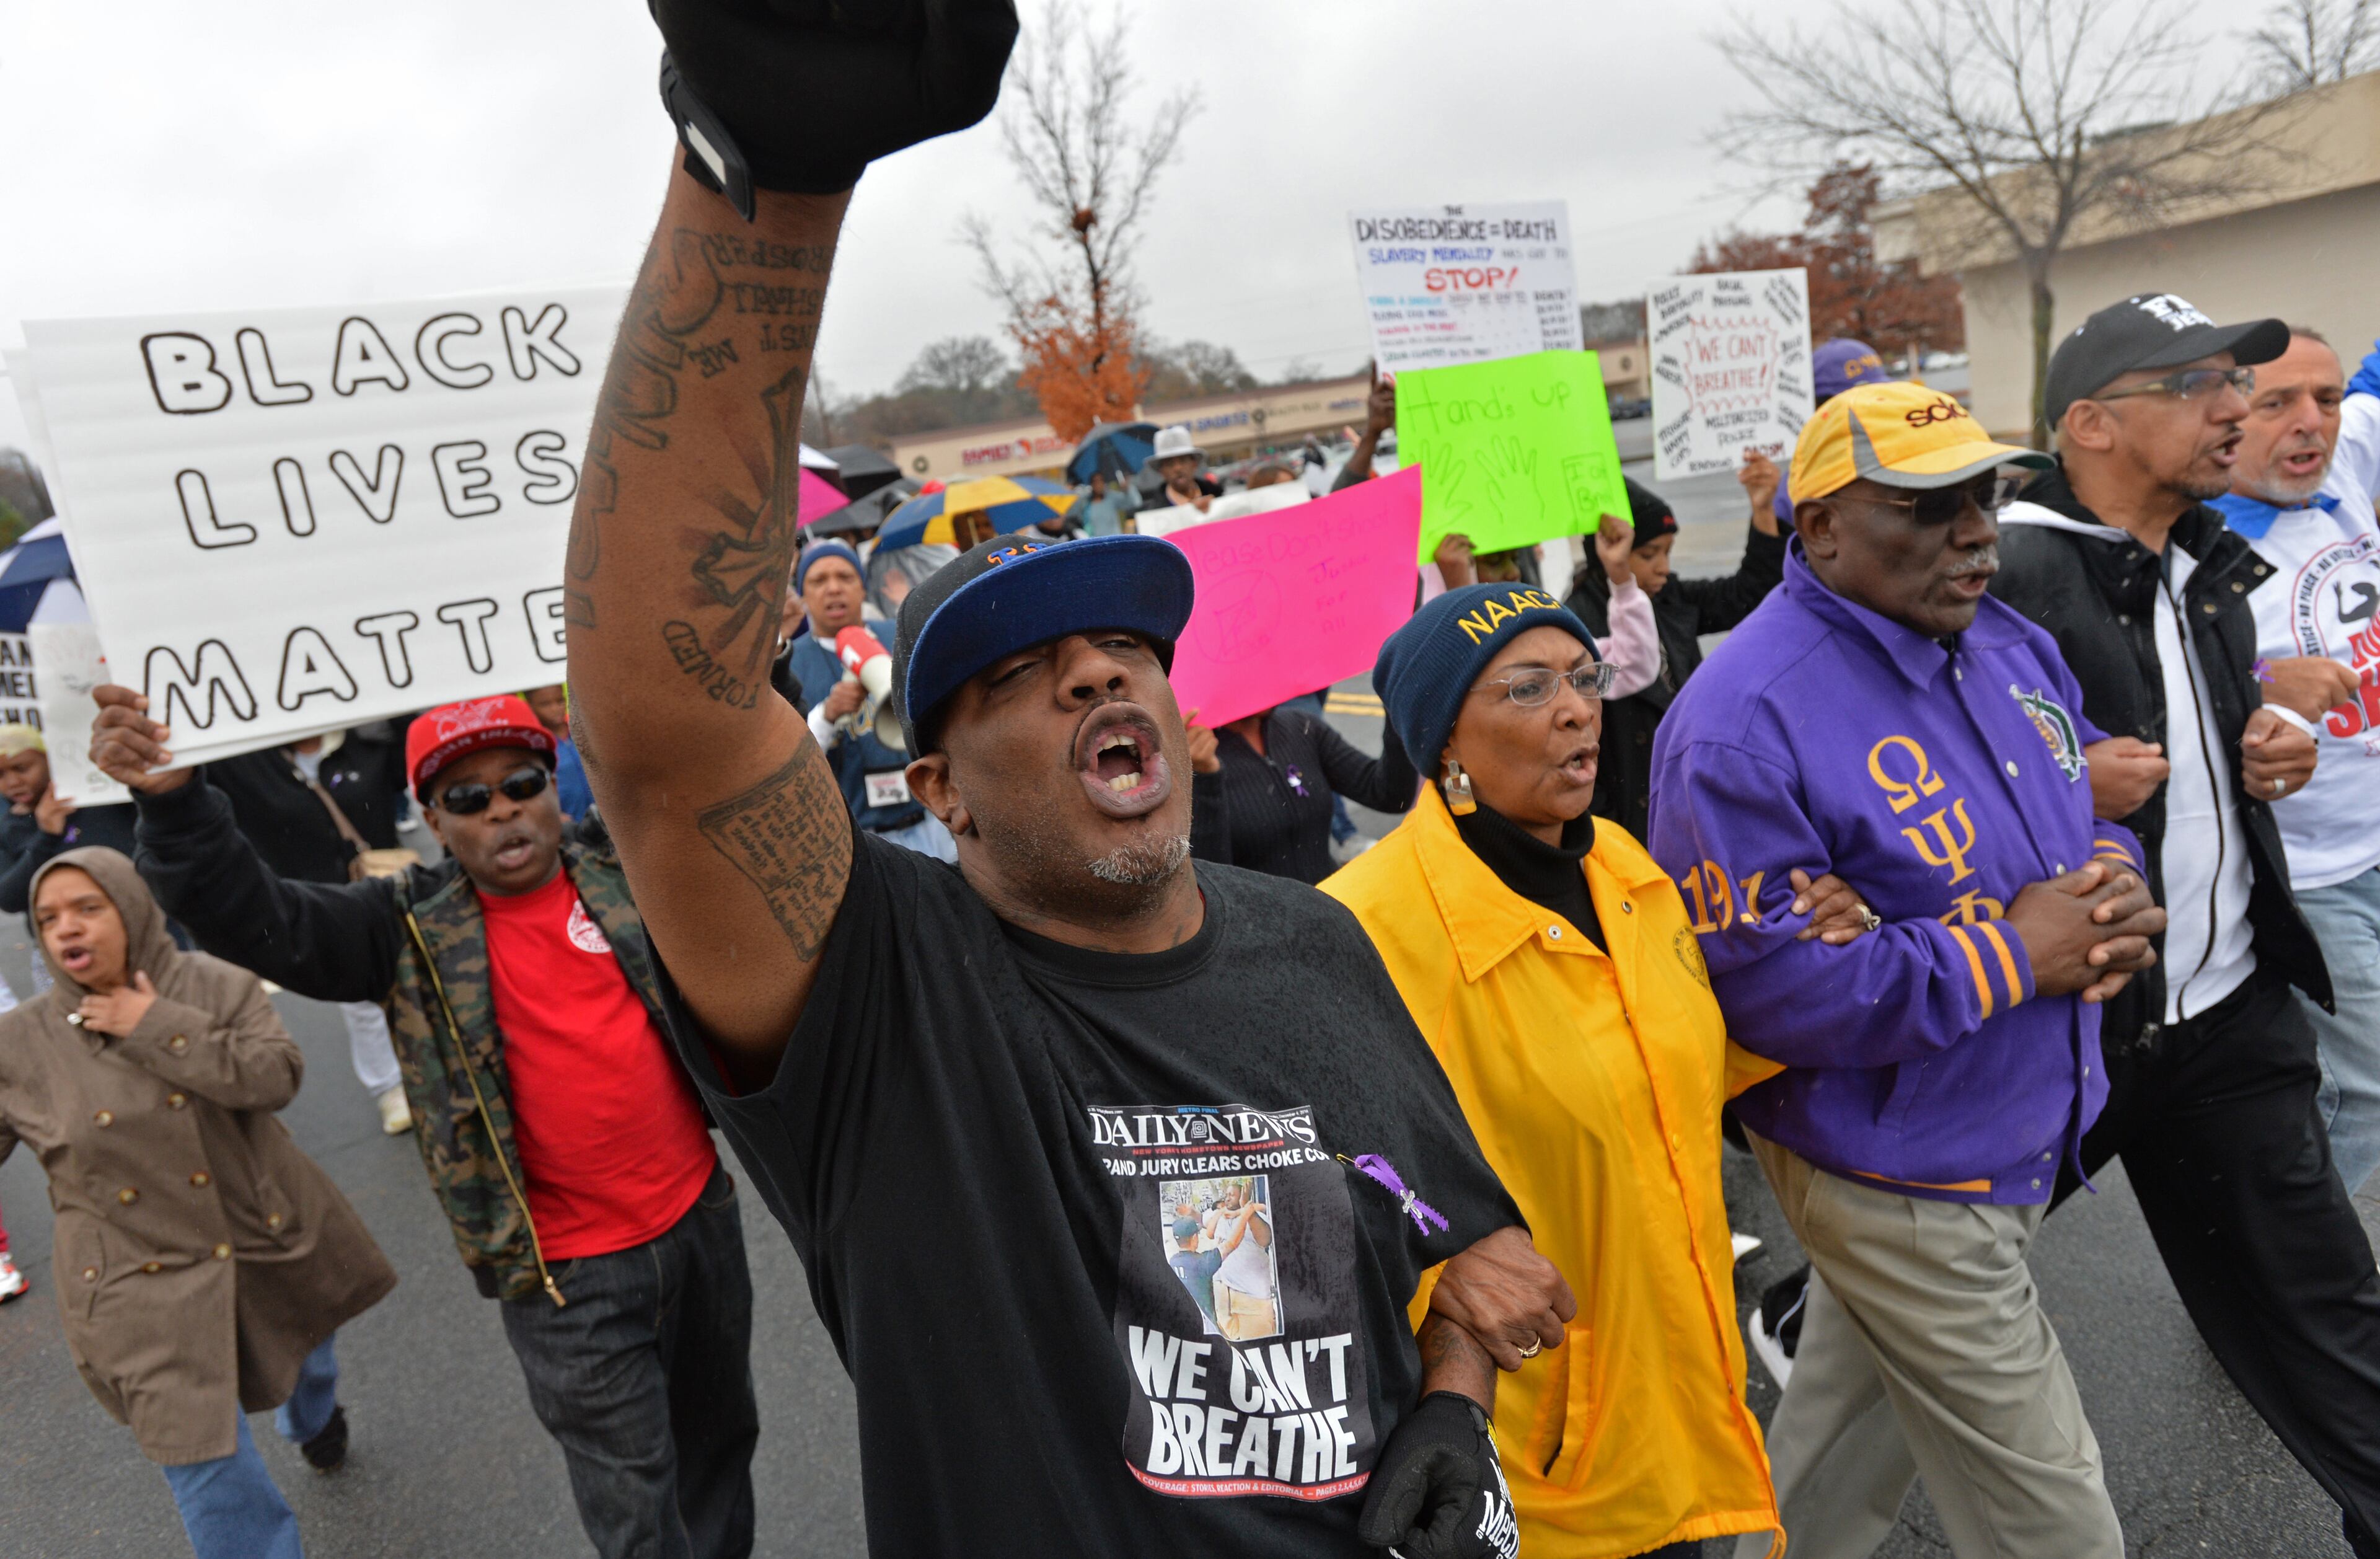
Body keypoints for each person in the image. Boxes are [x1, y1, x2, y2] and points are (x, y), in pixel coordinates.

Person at [563, 15, 1576, 1546]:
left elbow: (1457, 1253)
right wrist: (762, 174)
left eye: (1122, 648)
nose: (1096, 674)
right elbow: (670, 717)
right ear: (940, 790)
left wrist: (1447, 1399)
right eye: (1018, 678)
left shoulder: (1315, 945)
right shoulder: (892, 995)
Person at [1650, 380, 2164, 1559]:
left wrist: (2110, 877)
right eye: (1926, 508)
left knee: (1837, 1444)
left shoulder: (2004, 639)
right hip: (1894, 1166)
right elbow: (1771, 986)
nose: (1976, 529)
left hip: (2006, 1122)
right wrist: (2015, 951)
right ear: (1820, 524)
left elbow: (2073, 796)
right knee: (2056, 1516)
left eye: (1983, 494)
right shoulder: (1740, 723)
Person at [87, 692, 761, 1559]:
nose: (505, 807)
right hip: (564, 1279)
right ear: (436, 822)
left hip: (702, 1226)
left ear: (554, 787)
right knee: (637, 1507)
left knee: (719, 1453)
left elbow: (729, 789)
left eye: (521, 781)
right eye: (470, 797)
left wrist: (758, 659)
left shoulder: (623, 868)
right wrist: (174, 801)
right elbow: (254, 915)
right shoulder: (400, 927)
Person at [1329, 582, 1902, 1556]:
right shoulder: (1361, 930)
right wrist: (1448, 1272)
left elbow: (1675, 1066)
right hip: (1539, 1445)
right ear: (1446, 745)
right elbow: (1332, 1177)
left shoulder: (1627, 872)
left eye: (1583, 675)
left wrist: (1811, 952)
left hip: (1685, 1392)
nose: (1575, 706)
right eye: (1525, 687)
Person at [1994, 294, 2380, 1559]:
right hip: (2057, 1035)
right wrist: (2059, 787)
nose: (2239, 409)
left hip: (2223, 1018)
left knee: (2333, 1314)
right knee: (1902, 1331)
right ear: (2095, 424)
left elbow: (2175, 741)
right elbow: (1898, 784)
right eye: (2201, 385)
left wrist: (2251, 738)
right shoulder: (1999, 572)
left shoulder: (2203, 556)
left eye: (2241, 381)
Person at [0, 847, 395, 1559]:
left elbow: (277, 1076)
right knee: (205, 1462)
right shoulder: (19, 1041)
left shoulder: (213, 983)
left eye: (88, 907)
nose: (67, 929)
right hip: (130, 1280)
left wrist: (151, 1022)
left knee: (305, 1351)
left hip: (255, 1225)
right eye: (48, 917)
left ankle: (312, 1420)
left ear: (133, 907)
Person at [2212, 327, 2380, 1195]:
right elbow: (2152, 688)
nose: (2313, 421)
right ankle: (2307, 1290)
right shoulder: (2197, 552)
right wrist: (2261, 678)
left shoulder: (2342, 462)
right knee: (2368, 1085)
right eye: (2277, 403)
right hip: (2314, 869)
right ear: (2223, 417)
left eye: (2324, 396)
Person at [202, 740, 413, 1136]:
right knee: (362, 998)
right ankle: (390, 1086)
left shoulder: (368, 736)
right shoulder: (242, 759)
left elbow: (408, 771)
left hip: (386, 883)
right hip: (309, 895)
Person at [1566, 475, 1787, 839]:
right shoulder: (1576, 623)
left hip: (1694, 792)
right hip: (1634, 819)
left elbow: (1748, 595)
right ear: (1608, 550)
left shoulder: (1671, 598)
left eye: (1668, 552)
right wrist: (1609, 828)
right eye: (1649, 554)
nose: (1663, 567)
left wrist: (1763, 508)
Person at [787, 538, 957, 862]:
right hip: (862, 839)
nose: (834, 589)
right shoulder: (794, 665)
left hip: (935, 820)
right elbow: (790, 758)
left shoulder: (901, 634)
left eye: (845, 577)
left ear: (863, 590)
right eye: (819, 581)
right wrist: (827, 715)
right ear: (804, 595)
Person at [1184, 700, 1417, 883]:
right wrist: (1205, 780)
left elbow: (1389, 795)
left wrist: (1398, 714)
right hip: (1260, 933)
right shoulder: (1188, 756)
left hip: (1331, 906)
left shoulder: (1301, 727)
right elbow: (1207, 881)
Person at [0, 723, 138, 922]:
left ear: (50, 760)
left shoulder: (107, 799)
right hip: (67, 945)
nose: (13, 782)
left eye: (21, 769)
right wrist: (46, 836)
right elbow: (9, 900)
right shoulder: (9, 828)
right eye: (1, 775)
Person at [524, 684, 593, 821]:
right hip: (570, 827)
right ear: (530, 706)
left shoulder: (583, 731)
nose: (556, 709)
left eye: (560, 701)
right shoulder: (535, 746)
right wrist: (555, 816)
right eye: (546, 704)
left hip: (606, 820)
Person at [1145, 423, 1222, 513]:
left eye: (1183, 461)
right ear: (1161, 471)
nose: (1178, 468)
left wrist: (1217, 506)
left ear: (1194, 464)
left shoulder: (1219, 498)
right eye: (1170, 464)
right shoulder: (1155, 516)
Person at [1080, 469, 1135, 536]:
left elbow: (1133, 503)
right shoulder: (1086, 505)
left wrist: (1127, 490)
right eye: (1096, 482)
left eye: (1101, 481)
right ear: (1092, 485)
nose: (1099, 485)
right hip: (1096, 542)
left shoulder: (1112, 497)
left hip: (1114, 540)